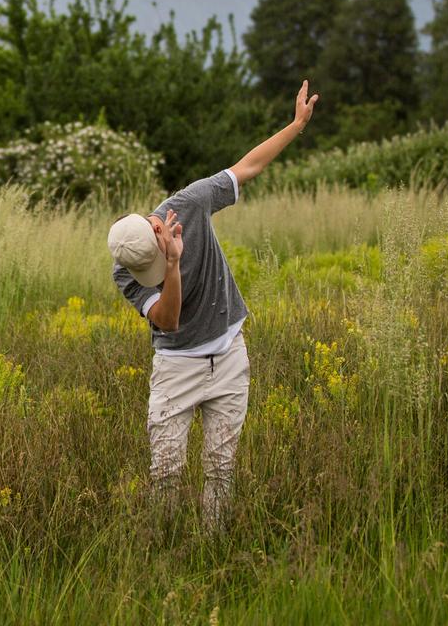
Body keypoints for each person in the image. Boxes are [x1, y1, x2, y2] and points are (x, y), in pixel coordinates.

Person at [107, 80, 319, 524]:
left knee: (221, 472)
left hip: (228, 355)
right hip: (176, 366)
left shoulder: (191, 202)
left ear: (158, 225)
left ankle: (213, 549)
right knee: (165, 472)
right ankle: (163, 552)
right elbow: (167, 320)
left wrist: (296, 125)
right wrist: (169, 267)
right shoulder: (126, 270)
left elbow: (246, 168)